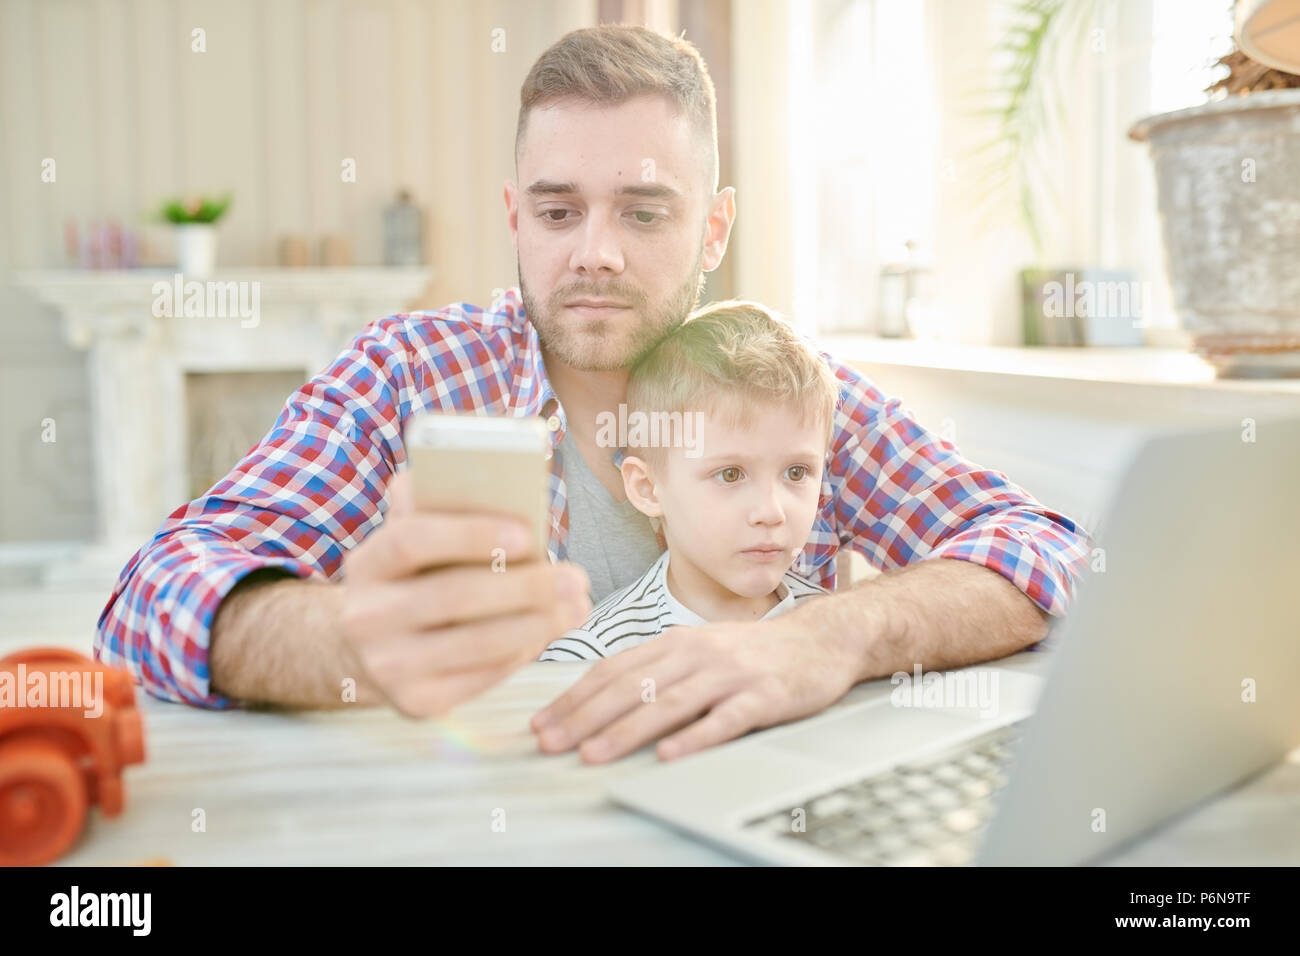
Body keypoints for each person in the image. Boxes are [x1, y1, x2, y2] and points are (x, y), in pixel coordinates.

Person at [94, 24, 1092, 766]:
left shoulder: (787, 384)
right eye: (557, 210)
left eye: (644, 211)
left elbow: (1045, 549)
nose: (595, 253)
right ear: (514, 218)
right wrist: (340, 637)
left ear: (714, 228)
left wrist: (831, 634)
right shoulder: (407, 372)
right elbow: (148, 597)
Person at [540, 300, 838, 661]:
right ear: (647, 488)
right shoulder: (593, 654)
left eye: (796, 472)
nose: (771, 512)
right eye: (731, 474)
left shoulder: (837, 630)